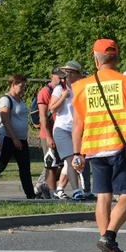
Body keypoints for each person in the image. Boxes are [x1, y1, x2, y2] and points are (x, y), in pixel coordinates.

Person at [71, 38, 126, 252]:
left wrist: (77, 154)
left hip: (94, 148)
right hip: (123, 146)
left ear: (96, 59)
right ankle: (109, 237)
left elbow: (78, 124)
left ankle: (107, 249)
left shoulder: (81, 86)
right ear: (116, 58)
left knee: (103, 197)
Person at [0, 74, 36, 199]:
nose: (23, 89)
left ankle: (30, 195)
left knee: (25, 167)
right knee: (0, 165)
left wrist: (20, 138)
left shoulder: (20, 100)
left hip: (21, 140)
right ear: (13, 85)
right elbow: (5, 120)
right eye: (21, 86)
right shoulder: (6, 100)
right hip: (7, 137)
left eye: (24, 86)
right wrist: (14, 139)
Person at [48, 61, 87, 201]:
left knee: (69, 163)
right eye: (67, 72)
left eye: (72, 71)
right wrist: (64, 97)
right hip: (62, 128)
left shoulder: (82, 89)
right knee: (72, 159)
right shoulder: (60, 89)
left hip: (78, 129)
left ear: (78, 74)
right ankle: (77, 191)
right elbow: (52, 109)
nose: (69, 74)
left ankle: (60, 189)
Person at [34, 67, 65, 199]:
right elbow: (43, 116)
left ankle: (44, 186)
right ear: (52, 76)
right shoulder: (45, 91)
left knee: (63, 166)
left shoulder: (62, 89)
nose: (61, 79)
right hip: (49, 133)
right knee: (51, 165)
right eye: (59, 76)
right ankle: (50, 191)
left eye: (63, 76)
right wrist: (48, 136)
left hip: (59, 132)